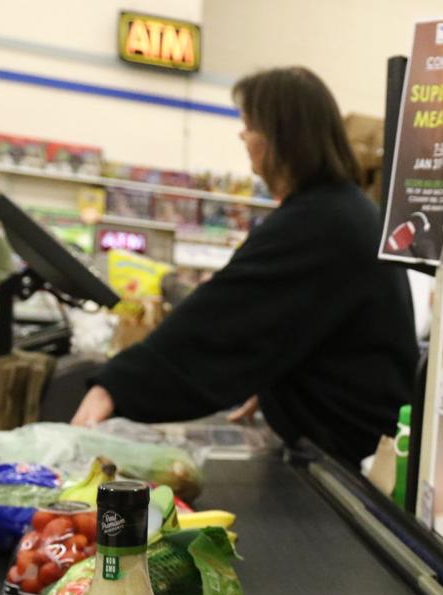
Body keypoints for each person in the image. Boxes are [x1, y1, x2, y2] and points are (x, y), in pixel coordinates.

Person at [72, 67, 419, 466]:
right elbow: (302, 324)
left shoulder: (320, 221)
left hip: (349, 463)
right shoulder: (341, 210)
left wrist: (115, 386)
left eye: (249, 125)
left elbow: (220, 317)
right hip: (360, 447)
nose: (243, 136)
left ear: (282, 138)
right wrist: (282, 382)